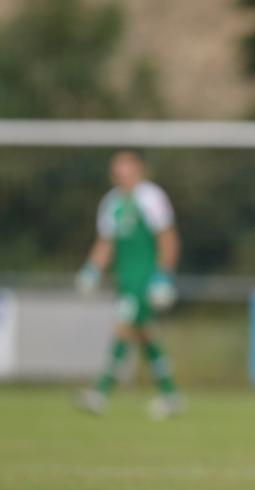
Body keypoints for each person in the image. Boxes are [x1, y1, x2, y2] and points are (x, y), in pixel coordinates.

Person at [75, 150, 183, 419]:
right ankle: (171, 395)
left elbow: (168, 238)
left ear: (139, 170)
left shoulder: (151, 197)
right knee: (145, 335)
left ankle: (100, 393)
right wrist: (91, 269)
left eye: (127, 171)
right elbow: (106, 243)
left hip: (145, 279)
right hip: (125, 279)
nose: (122, 177)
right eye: (118, 173)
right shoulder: (111, 203)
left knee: (122, 328)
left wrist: (164, 275)